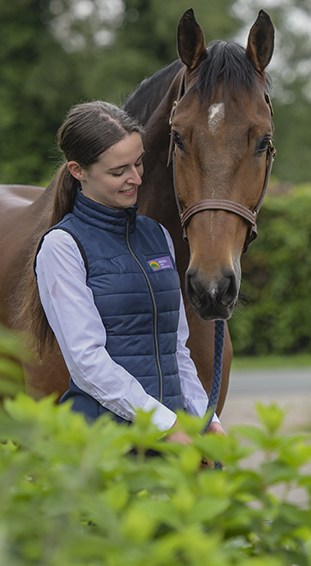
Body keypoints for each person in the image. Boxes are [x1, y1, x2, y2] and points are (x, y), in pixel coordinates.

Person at [33, 100, 224, 444]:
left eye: (138, 163)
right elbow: (87, 363)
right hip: (106, 442)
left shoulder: (158, 236)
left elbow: (176, 348)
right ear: (78, 171)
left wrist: (204, 416)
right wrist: (164, 425)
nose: (135, 178)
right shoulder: (62, 247)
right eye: (118, 171)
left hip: (170, 433)